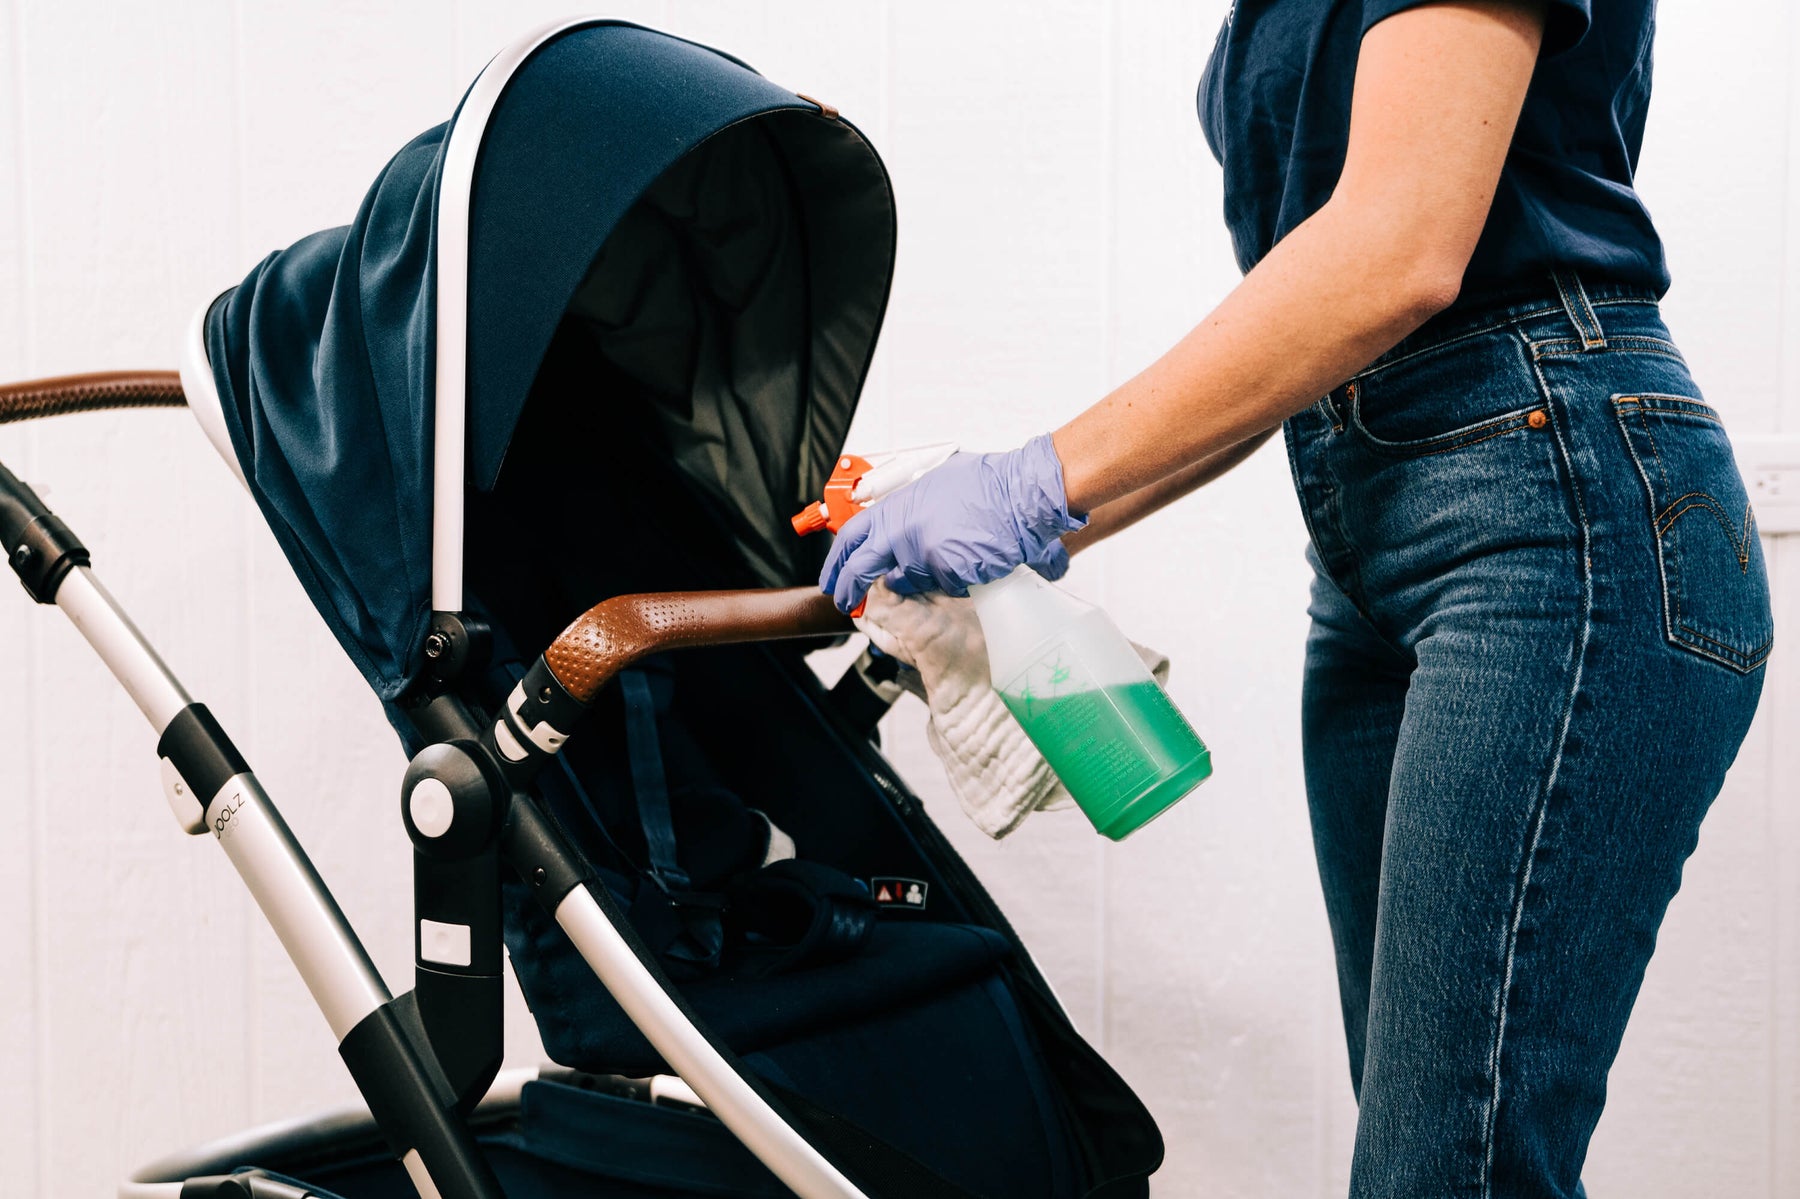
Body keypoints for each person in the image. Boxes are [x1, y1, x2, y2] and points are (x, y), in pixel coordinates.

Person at [820, 1, 1773, 1195]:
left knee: (1448, 1170)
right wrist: (1030, 516)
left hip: (1552, 505)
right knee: (1430, 1157)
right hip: (1376, 534)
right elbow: (1310, 323)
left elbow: (1401, 251)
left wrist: (1034, 483)